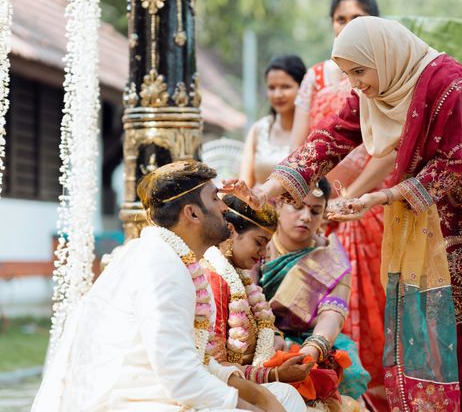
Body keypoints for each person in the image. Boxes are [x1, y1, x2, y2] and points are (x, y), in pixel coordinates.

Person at [223, 17, 462, 412]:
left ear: (385, 57)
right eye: (349, 73)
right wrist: (267, 190)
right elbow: (331, 136)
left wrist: (380, 197)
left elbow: (448, 166)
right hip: (446, 215)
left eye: (359, 71)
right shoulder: (374, 87)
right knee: (449, 334)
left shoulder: (447, 83)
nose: (355, 83)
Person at [32, 160, 300, 412]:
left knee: (284, 396)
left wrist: (259, 393)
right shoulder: (160, 265)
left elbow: (197, 361)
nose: (224, 208)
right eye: (215, 199)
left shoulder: (172, 259)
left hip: (154, 391)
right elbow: (182, 377)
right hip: (122, 403)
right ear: (192, 213)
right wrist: (254, 406)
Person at [289, 0, 392, 408]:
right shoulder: (314, 78)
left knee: (379, 309)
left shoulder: (385, 73)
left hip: (370, 209)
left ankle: (384, 400)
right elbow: (301, 147)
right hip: (321, 214)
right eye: (340, 19)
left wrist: (357, 196)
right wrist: (308, 200)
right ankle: (341, 398)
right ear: (331, 24)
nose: (347, 25)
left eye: (357, 18)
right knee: (328, 309)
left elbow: (388, 146)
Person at [259, 177, 371, 410]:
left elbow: (333, 313)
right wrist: (268, 336)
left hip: (312, 343)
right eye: (298, 206)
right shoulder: (258, 243)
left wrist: (312, 350)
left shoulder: (332, 257)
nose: (306, 217)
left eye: (315, 210)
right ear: (277, 205)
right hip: (259, 335)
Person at [201, 195, 313, 398]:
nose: (264, 254)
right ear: (231, 231)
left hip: (247, 378)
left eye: (267, 245)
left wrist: (277, 340)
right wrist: (274, 375)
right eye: (259, 242)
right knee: (288, 395)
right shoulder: (214, 280)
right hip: (226, 388)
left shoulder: (237, 276)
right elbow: (214, 366)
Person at [240, 55, 306, 187]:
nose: (277, 94)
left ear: (303, 87)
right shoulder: (259, 129)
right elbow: (245, 183)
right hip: (258, 206)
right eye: (272, 88)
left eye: (285, 87)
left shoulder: (314, 131)